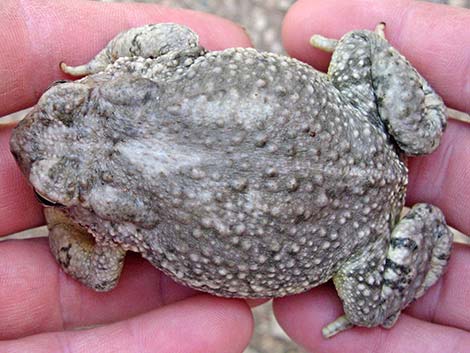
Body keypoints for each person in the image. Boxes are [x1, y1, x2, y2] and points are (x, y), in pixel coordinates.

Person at [0, 0, 468, 351]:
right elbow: (173, 37)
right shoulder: (141, 89)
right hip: (363, 131)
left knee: (367, 306)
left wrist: (59, 219)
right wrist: (104, 65)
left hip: (360, 210)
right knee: (360, 50)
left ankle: (430, 234)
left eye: (63, 99)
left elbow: (101, 273)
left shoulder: (113, 224)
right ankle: (423, 140)